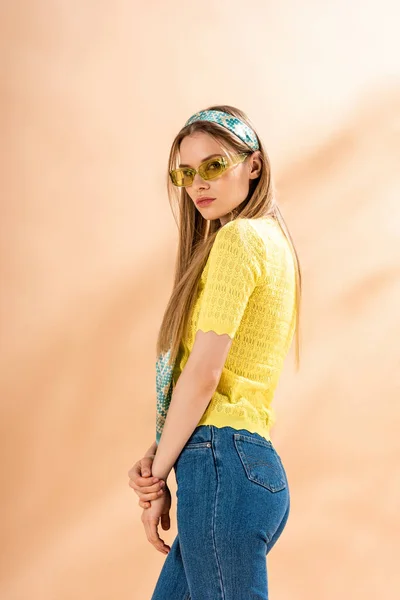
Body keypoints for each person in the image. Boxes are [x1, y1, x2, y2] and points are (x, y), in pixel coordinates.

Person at [127, 105, 302, 600]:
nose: (198, 184)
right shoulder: (276, 244)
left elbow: (205, 375)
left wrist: (157, 478)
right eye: (186, 172)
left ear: (254, 165)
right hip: (246, 469)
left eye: (214, 165)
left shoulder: (239, 239)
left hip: (221, 466)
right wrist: (158, 457)